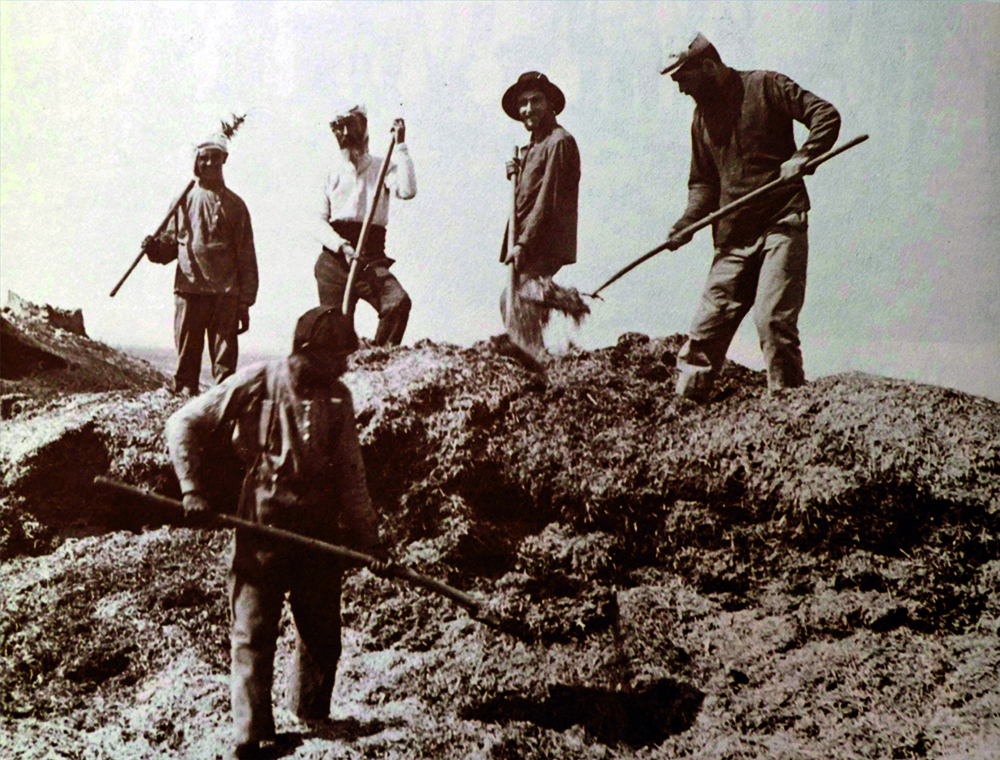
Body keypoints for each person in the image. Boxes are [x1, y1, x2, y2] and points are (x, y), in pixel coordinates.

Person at [165, 307, 383, 760]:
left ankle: (313, 719)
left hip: (317, 533)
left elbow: (350, 475)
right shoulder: (257, 381)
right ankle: (252, 736)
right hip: (261, 525)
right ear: (310, 352)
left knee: (322, 635)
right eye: (338, 356)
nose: (344, 366)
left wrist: (369, 539)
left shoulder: (339, 398)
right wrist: (193, 490)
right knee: (252, 633)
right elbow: (182, 423)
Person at [661, 33, 841, 401]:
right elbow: (703, 185)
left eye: (684, 80)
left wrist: (804, 156)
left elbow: (825, 115)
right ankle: (686, 409)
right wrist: (685, 225)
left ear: (708, 67)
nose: (681, 89)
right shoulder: (701, 120)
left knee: (773, 321)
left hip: (781, 223)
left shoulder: (766, 86)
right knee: (704, 333)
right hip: (732, 238)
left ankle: (787, 409)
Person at [143, 132, 259, 397]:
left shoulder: (236, 206)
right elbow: (170, 247)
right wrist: (154, 249)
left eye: (214, 159)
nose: (207, 164)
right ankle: (185, 405)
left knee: (225, 367)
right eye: (202, 159)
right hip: (189, 290)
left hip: (225, 296)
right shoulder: (184, 200)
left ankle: (223, 413)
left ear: (224, 159)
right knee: (186, 366)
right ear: (195, 162)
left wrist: (245, 302)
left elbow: (246, 257)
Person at [499, 71, 587, 373]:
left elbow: (547, 198)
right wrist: (519, 169)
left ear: (550, 104)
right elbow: (529, 191)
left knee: (520, 298)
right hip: (526, 236)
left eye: (535, 101)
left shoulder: (559, 141)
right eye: (523, 103)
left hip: (542, 239)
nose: (527, 109)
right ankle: (533, 353)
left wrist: (523, 242)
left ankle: (534, 360)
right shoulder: (534, 146)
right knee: (512, 298)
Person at [313, 103, 416, 346]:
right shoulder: (329, 172)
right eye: (339, 129)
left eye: (351, 127)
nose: (345, 135)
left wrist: (400, 146)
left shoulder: (384, 167)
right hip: (334, 262)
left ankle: (378, 358)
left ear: (364, 130)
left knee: (398, 303)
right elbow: (316, 221)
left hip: (371, 259)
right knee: (335, 333)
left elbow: (408, 190)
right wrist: (342, 246)